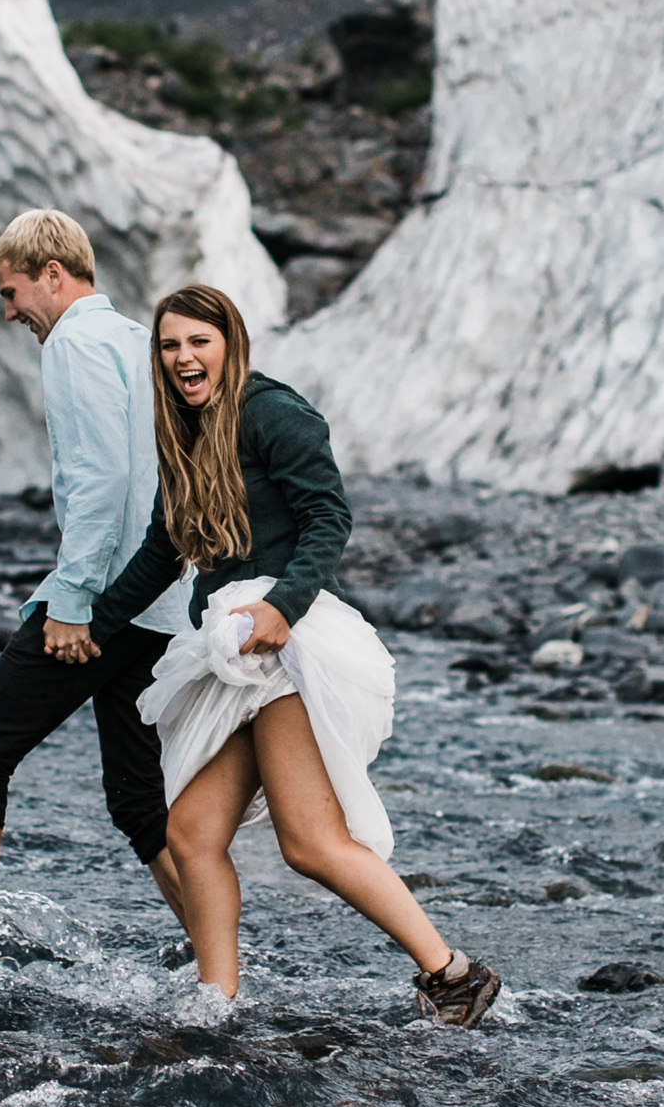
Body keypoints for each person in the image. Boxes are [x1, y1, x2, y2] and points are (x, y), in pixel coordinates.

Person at [75, 283, 501, 1025]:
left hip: (289, 645)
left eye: (197, 342)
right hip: (228, 651)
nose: (183, 357)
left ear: (229, 344)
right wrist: (88, 626)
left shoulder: (273, 412)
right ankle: (217, 1000)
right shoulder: (181, 431)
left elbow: (326, 518)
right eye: (169, 345)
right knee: (190, 834)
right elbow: (161, 551)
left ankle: (452, 974)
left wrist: (282, 606)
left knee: (310, 842)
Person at [0, 210, 191, 925]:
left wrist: (72, 600)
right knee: (140, 802)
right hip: (162, 603)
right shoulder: (138, 341)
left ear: (52, 275)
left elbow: (103, 479)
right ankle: (220, 969)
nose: (11, 310)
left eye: (11, 292)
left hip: (107, 602)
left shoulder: (75, 342)